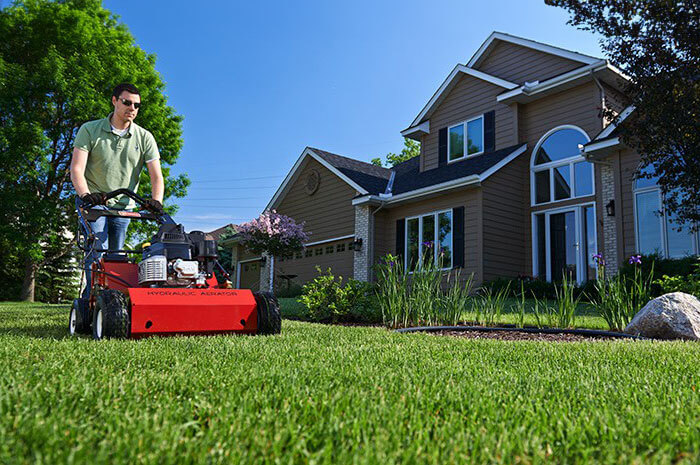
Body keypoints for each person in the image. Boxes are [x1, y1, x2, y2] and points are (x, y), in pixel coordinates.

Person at [70, 83, 165, 299]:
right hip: (95, 201)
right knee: (98, 249)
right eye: (127, 102)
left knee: (118, 255)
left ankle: (113, 298)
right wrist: (86, 195)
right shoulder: (90, 130)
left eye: (137, 105)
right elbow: (77, 168)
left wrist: (156, 201)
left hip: (125, 206)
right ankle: (91, 299)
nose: (132, 108)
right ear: (114, 101)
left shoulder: (145, 137)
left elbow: (156, 176)